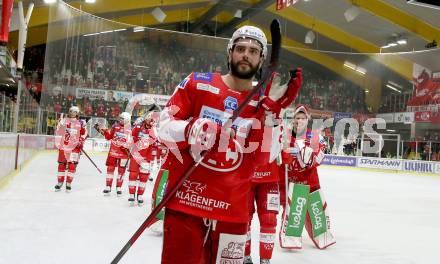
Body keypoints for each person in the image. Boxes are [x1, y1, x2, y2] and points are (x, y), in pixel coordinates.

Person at [157, 25, 302, 264]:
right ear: (229, 52)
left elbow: (267, 156)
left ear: (261, 60)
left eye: (254, 51)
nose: (246, 54)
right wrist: (189, 129)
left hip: (233, 213)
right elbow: (162, 128)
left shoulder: (263, 103)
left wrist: (272, 114)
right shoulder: (196, 83)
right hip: (186, 204)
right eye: (241, 48)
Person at [279, 104, 335, 250]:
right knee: (292, 211)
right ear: (293, 119)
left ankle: (322, 235)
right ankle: (290, 238)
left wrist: (308, 159)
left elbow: (320, 157)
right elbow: (275, 156)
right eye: (297, 117)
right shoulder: (284, 135)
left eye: (303, 118)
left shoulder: (315, 136)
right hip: (290, 182)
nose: (300, 121)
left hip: (311, 182)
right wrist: (283, 157)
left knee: (317, 213)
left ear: (308, 119)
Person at [244, 161, 280, 264]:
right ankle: (244, 257)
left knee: (269, 219)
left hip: (270, 179)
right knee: (244, 218)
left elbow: (287, 160)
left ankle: (265, 259)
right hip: (245, 177)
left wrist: (286, 152)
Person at [94, 112, 132, 196]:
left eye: (122, 119)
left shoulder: (130, 129)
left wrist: (128, 148)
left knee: (121, 171)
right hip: (113, 152)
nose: (120, 120)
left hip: (124, 154)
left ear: (127, 120)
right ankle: (108, 186)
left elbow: (132, 142)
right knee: (110, 169)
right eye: (120, 118)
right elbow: (108, 137)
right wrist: (101, 130)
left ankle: (118, 187)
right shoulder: (115, 126)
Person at [127, 112, 160, 205]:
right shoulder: (138, 127)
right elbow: (131, 138)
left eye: (153, 121)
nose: (151, 122)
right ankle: (131, 195)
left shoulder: (154, 130)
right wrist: (131, 146)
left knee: (143, 177)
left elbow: (156, 140)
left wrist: (153, 128)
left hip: (146, 157)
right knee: (133, 175)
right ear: (146, 119)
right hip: (136, 155)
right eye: (150, 119)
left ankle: (140, 195)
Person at [54, 106, 87, 192]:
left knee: (72, 165)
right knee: (61, 164)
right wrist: (59, 124)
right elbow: (58, 131)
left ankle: (68, 183)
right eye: (71, 111)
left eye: (74, 112)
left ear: (77, 113)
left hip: (74, 148)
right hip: (64, 146)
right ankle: (59, 182)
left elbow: (84, 134)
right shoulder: (64, 120)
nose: (72, 113)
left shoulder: (81, 122)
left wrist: (81, 141)